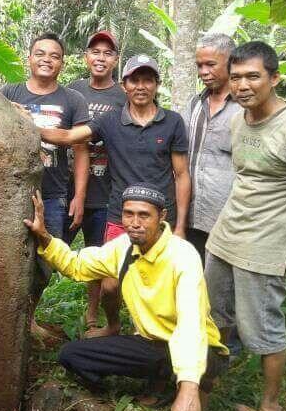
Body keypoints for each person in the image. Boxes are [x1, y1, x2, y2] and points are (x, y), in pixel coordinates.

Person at [23, 183, 228, 411]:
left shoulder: (182, 256)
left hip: (195, 344)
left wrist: (188, 390)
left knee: (200, 361)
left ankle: (193, 380)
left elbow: (191, 326)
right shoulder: (123, 247)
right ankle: (161, 376)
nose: (135, 222)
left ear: (161, 217)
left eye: (144, 215)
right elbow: (76, 265)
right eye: (128, 214)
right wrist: (44, 236)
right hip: (149, 343)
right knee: (72, 354)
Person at [204, 41, 286, 411]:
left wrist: (274, 219)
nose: (242, 85)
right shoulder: (238, 120)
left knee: (264, 331)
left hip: (263, 248)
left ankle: (271, 409)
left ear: (274, 78)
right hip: (224, 237)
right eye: (237, 76)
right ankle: (207, 385)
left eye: (253, 76)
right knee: (214, 317)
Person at [39, 54, 190, 338]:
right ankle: (112, 325)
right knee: (110, 285)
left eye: (148, 80)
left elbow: (181, 175)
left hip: (161, 220)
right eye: (135, 80)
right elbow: (71, 137)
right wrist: (29, 127)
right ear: (125, 85)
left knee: (158, 284)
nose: (141, 86)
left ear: (157, 84)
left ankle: (150, 336)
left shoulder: (172, 122)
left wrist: (181, 226)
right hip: (121, 215)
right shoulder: (110, 121)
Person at [1, 32, 90, 338]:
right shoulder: (8, 93)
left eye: (54, 56)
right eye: (40, 53)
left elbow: (80, 149)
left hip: (53, 192)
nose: (47, 60)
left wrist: (79, 195)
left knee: (46, 259)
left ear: (62, 63)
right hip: (10, 192)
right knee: (8, 254)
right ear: (29, 57)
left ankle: (28, 317)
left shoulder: (72, 100)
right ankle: (7, 317)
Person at [66, 31, 126, 337]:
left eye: (108, 53)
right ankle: (30, 314)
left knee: (99, 256)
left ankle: (92, 314)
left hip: (108, 191)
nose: (101, 58)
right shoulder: (72, 92)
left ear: (116, 60)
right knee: (49, 251)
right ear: (86, 57)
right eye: (95, 52)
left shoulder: (124, 96)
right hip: (68, 190)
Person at [181, 33, 239, 263]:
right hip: (192, 218)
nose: (203, 71)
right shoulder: (195, 104)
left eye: (210, 65)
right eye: (199, 65)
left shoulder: (245, 108)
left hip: (229, 221)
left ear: (231, 62)